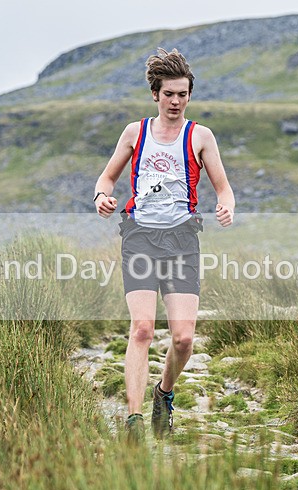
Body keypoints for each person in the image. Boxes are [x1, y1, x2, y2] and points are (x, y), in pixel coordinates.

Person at [93, 48, 234, 442]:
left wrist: (226, 206)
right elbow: (106, 180)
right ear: (155, 94)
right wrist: (100, 197)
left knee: (183, 339)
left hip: (182, 240)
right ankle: (134, 420)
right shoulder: (135, 133)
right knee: (141, 328)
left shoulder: (200, 136)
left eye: (182, 94)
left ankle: (164, 393)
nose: (175, 102)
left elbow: (224, 189)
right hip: (139, 235)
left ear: (189, 95)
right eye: (168, 94)